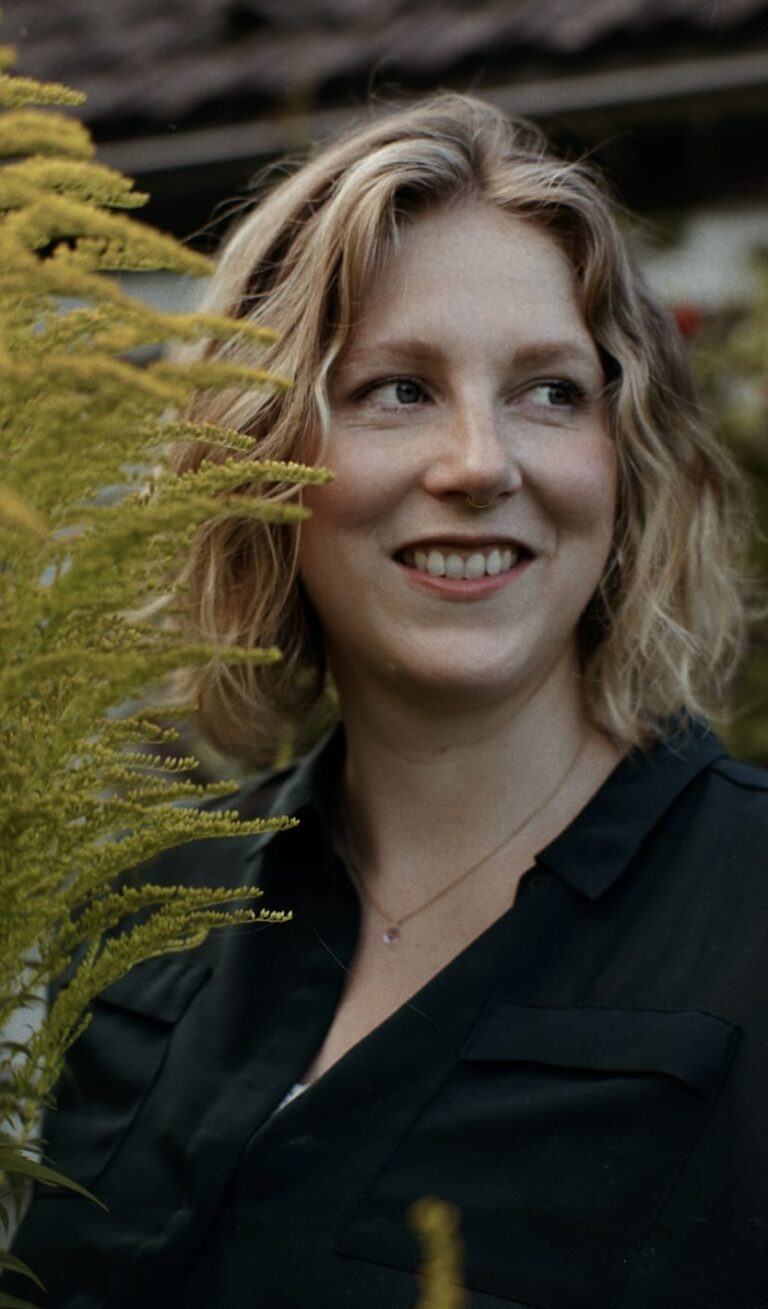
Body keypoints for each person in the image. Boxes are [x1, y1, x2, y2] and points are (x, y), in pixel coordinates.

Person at [12, 93, 768, 1309]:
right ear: (256, 453)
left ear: (625, 456)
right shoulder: (141, 916)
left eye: (550, 391)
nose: (479, 463)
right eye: (397, 389)